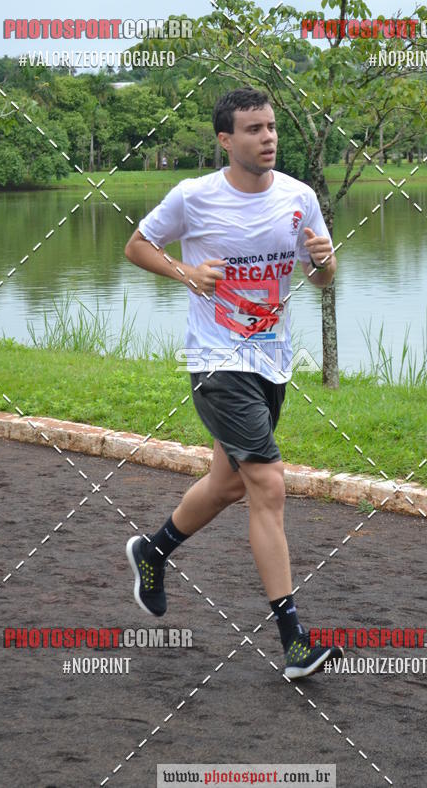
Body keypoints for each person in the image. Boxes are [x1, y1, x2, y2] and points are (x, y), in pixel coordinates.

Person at [123, 86, 344, 679]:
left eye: (271, 127)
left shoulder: (300, 198)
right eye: (253, 129)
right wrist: (187, 272)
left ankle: (153, 550)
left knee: (226, 485)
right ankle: (294, 638)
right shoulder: (194, 197)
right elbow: (137, 245)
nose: (267, 137)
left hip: (273, 361)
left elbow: (324, 281)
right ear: (226, 139)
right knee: (267, 483)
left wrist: (323, 261)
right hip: (217, 361)